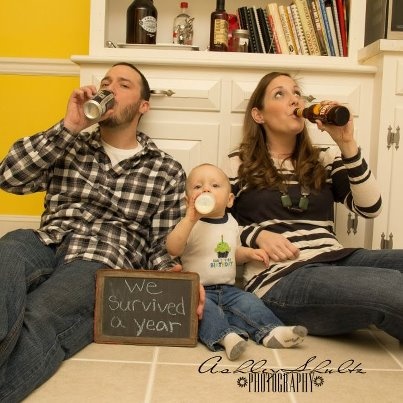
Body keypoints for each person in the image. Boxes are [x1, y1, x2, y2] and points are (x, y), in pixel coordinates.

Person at [0, 62, 204, 401]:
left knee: (41, 313)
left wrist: (180, 287)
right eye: (106, 81)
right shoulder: (70, 144)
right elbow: (9, 177)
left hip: (101, 257)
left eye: (123, 84)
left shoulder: (166, 169)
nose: (109, 88)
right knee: (7, 252)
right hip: (47, 239)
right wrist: (69, 127)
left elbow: (160, 245)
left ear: (143, 105)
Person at [224, 71, 403, 342]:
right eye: (280, 94)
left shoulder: (324, 158)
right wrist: (255, 235)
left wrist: (346, 143)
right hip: (283, 277)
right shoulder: (239, 164)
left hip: (336, 258)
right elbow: (211, 232)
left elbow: (370, 208)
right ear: (258, 115)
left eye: (297, 93)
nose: (294, 100)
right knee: (392, 289)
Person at [166, 163, 307, 361]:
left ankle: (272, 332)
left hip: (230, 289)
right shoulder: (190, 224)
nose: (206, 189)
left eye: (215, 185)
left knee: (251, 303)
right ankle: (226, 337)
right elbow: (173, 248)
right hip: (199, 291)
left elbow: (232, 253)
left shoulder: (232, 223)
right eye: (198, 187)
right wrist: (189, 218)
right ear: (188, 200)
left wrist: (248, 253)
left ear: (230, 200)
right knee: (204, 313)